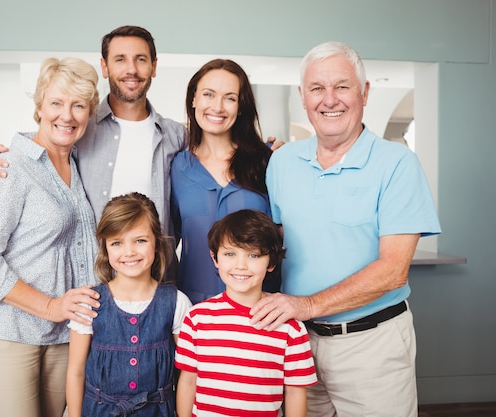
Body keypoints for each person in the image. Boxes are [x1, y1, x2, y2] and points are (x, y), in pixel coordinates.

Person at [249, 41, 442, 417]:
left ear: (365, 93)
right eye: (317, 89)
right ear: (303, 97)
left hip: (371, 344)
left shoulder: (398, 164)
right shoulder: (282, 162)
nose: (329, 99)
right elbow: (281, 240)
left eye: (342, 86)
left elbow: (392, 271)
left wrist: (305, 305)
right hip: (297, 342)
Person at [0, 57, 103, 417]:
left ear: (90, 113)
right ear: (39, 107)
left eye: (78, 105)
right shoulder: (9, 166)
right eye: (56, 103)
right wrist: (52, 306)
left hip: (61, 337)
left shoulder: (79, 166)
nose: (66, 115)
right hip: (7, 333)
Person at [0, 25, 187, 243]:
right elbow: (42, 149)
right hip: (93, 274)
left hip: (160, 273)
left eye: (141, 59)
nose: (131, 69)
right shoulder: (80, 128)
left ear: (154, 66)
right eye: (120, 59)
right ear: (105, 67)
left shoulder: (177, 135)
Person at [175, 209, 317, 417]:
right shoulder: (197, 319)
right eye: (230, 254)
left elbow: (295, 393)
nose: (241, 265)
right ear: (215, 258)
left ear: (272, 262)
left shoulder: (290, 327)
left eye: (253, 255)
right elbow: (188, 381)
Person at [66, 192, 192, 417]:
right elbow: (76, 372)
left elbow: (187, 374)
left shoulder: (177, 302)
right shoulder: (89, 302)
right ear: (106, 248)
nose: (129, 252)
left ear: (156, 242)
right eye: (117, 243)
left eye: (140, 240)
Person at [171, 59, 278, 304]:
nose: (217, 107)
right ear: (194, 99)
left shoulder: (267, 162)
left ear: (240, 107)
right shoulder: (176, 167)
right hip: (195, 311)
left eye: (230, 98)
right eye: (209, 94)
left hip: (260, 310)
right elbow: (167, 240)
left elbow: (284, 237)